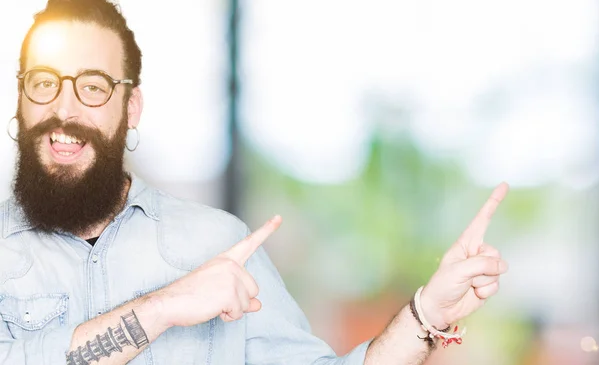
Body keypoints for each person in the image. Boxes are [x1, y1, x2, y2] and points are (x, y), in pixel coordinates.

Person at [0, 0, 510, 364]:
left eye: (92, 87)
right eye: (44, 83)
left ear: (130, 109)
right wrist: (164, 308)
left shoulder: (216, 245)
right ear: (21, 101)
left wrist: (427, 314)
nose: (63, 109)